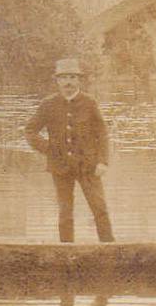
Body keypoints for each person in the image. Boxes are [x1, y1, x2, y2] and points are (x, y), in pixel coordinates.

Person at [24, 58, 115, 243]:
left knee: (99, 208)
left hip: (88, 166)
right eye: (63, 78)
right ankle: (66, 253)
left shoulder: (89, 103)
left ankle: (109, 249)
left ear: (79, 80)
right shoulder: (48, 104)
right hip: (60, 167)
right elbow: (30, 131)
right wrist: (48, 148)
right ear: (57, 81)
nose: (68, 82)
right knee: (65, 212)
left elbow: (102, 134)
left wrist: (103, 161)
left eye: (72, 77)